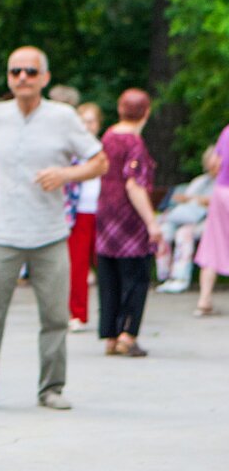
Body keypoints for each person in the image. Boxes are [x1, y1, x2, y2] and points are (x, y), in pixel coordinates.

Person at [0, 46, 107, 412]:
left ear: (44, 77)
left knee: (55, 316)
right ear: (8, 78)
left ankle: (51, 389)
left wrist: (66, 174)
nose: (22, 78)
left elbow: (100, 161)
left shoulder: (63, 117)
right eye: (15, 72)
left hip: (50, 233)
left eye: (29, 71)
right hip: (1, 232)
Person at [95, 89, 159, 357]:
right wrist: (152, 223)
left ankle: (110, 334)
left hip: (105, 214)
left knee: (109, 276)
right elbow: (134, 185)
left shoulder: (108, 136)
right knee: (136, 277)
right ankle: (127, 335)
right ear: (146, 112)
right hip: (129, 220)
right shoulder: (134, 143)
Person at [156, 146, 217, 293]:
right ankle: (166, 275)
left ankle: (181, 277)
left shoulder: (223, 183)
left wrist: (201, 200)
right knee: (163, 231)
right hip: (188, 217)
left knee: (184, 234)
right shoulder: (200, 181)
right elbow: (186, 199)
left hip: (212, 221)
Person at [66, 102, 104, 331]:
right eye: (83, 121)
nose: (87, 126)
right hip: (78, 212)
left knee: (105, 263)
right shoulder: (71, 150)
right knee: (77, 265)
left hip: (101, 211)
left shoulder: (103, 149)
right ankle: (77, 313)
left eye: (91, 121)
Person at [193, 123, 229, 317]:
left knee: (213, 243)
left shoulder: (226, 131)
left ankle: (204, 299)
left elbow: (215, 163)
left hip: (222, 192)